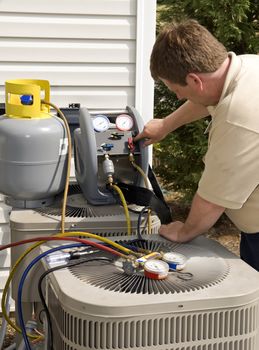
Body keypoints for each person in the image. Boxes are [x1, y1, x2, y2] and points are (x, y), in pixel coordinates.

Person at [134, 19, 259, 271]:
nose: (179, 97)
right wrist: (166, 125)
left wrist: (184, 232)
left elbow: (213, 198)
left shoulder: (239, 116)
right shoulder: (245, 67)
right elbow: (206, 98)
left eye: (176, 89)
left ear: (194, 80)